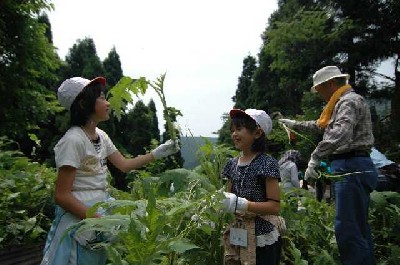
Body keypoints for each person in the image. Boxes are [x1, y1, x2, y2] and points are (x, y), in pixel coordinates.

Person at [41, 76, 180, 265]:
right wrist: (97, 219)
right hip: (78, 221)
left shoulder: (101, 136)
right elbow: (62, 195)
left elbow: (123, 165)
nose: (107, 103)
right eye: (101, 98)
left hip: (97, 215)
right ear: (83, 104)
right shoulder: (73, 140)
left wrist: (156, 154)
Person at [279, 66, 378, 265]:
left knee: (348, 228)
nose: (320, 95)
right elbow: (321, 125)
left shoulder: (348, 101)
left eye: (320, 89)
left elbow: (340, 133)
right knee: (359, 227)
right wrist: (295, 125)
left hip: (351, 166)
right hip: (352, 164)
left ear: (330, 84)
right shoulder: (341, 103)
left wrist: (315, 157)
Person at [221, 109, 281, 265]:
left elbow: (274, 207)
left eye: (239, 129)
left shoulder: (267, 163)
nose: (234, 134)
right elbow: (228, 197)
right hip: (238, 232)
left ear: (257, 133)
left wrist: (243, 204)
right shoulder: (231, 164)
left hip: (261, 234)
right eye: (232, 130)